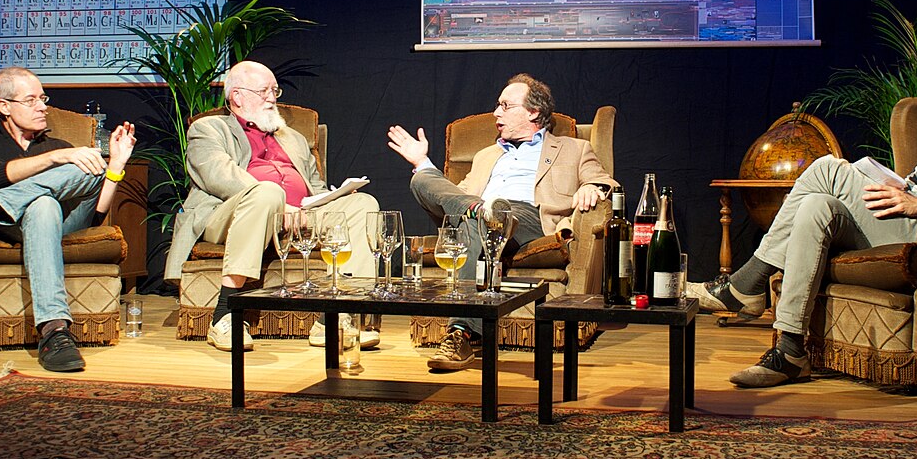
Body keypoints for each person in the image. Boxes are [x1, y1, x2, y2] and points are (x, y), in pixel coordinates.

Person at [693, 25, 917, 389]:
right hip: (914, 217)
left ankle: (745, 284)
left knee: (826, 168)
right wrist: (897, 187)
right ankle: (790, 351)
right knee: (818, 205)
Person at [386, 74, 614, 372]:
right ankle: (480, 213)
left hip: (528, 220)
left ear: (533, 112)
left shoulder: (573, 148)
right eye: (498, 105)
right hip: (478, 219)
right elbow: (456, 196)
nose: (497, 113)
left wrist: (591, 187)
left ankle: (461, 331)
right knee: (425, 181)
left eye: (506, 106)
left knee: (485, 212)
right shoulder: (485, 156)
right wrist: (423, 164)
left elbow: (605, 181)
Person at [163, 60, 385, 352]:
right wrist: (280, 203)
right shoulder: (209, 129)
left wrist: (328, 199)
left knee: (361, 204)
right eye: (263, 90)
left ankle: (334, 317)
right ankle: (225, 316)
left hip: (297, 216)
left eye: (274, 90)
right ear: (237, 96)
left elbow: (315, 187)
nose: (272, 97)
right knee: (266, 192)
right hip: (229, 214)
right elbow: (219, 177)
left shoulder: (293, 138)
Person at [0, 67, 136, 374]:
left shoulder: (61, 147)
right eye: (30, 100)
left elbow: (95, 214)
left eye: (42, 98)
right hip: (9, 227)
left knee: (90, 169)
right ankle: (55, 332)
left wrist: (117, 165)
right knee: (43, 203)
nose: (42, 106)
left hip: (60, 224)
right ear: (4, 106)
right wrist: (54, 161)